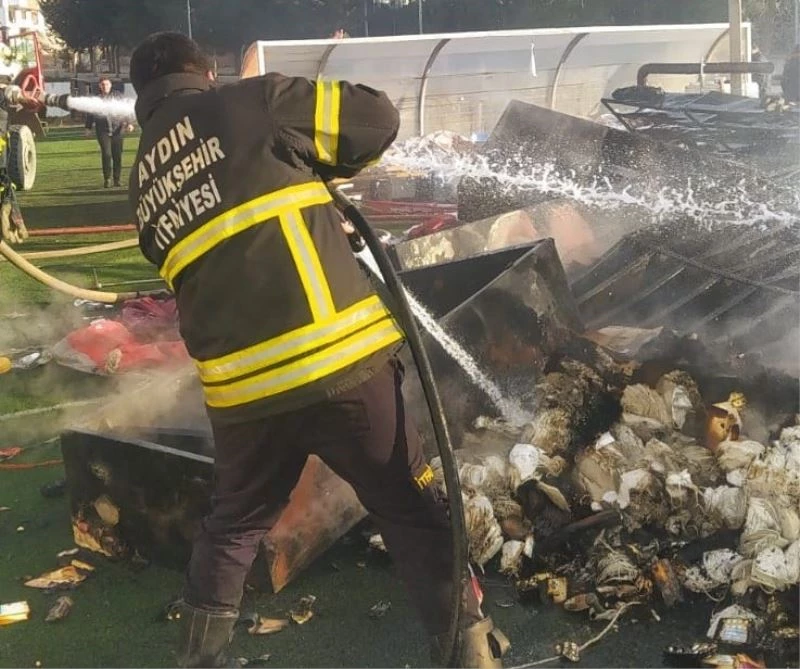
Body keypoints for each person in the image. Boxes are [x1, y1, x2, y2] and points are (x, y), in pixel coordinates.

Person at [127, 32, 509, 669]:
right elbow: (376, 117)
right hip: (340, 367)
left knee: (232, 528)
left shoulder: (143, 181)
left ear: (143, 96)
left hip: (242, 398)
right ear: (206, 74)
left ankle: (197, 660)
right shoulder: (253, 104)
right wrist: (316, 160)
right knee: (410, 509)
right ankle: (469, 652)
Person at [84, 77, 133, 188]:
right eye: (103, 84)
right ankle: (107, 179)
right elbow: (90, 114)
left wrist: (129, 123)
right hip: (103, 130)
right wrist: (88, 128)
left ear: (110, 85)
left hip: (117, 129)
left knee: (117, 155)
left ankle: (117, 179)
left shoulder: (118, 96)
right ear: (100, 86)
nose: (105, 86)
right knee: (106, 154)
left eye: (106, 84)